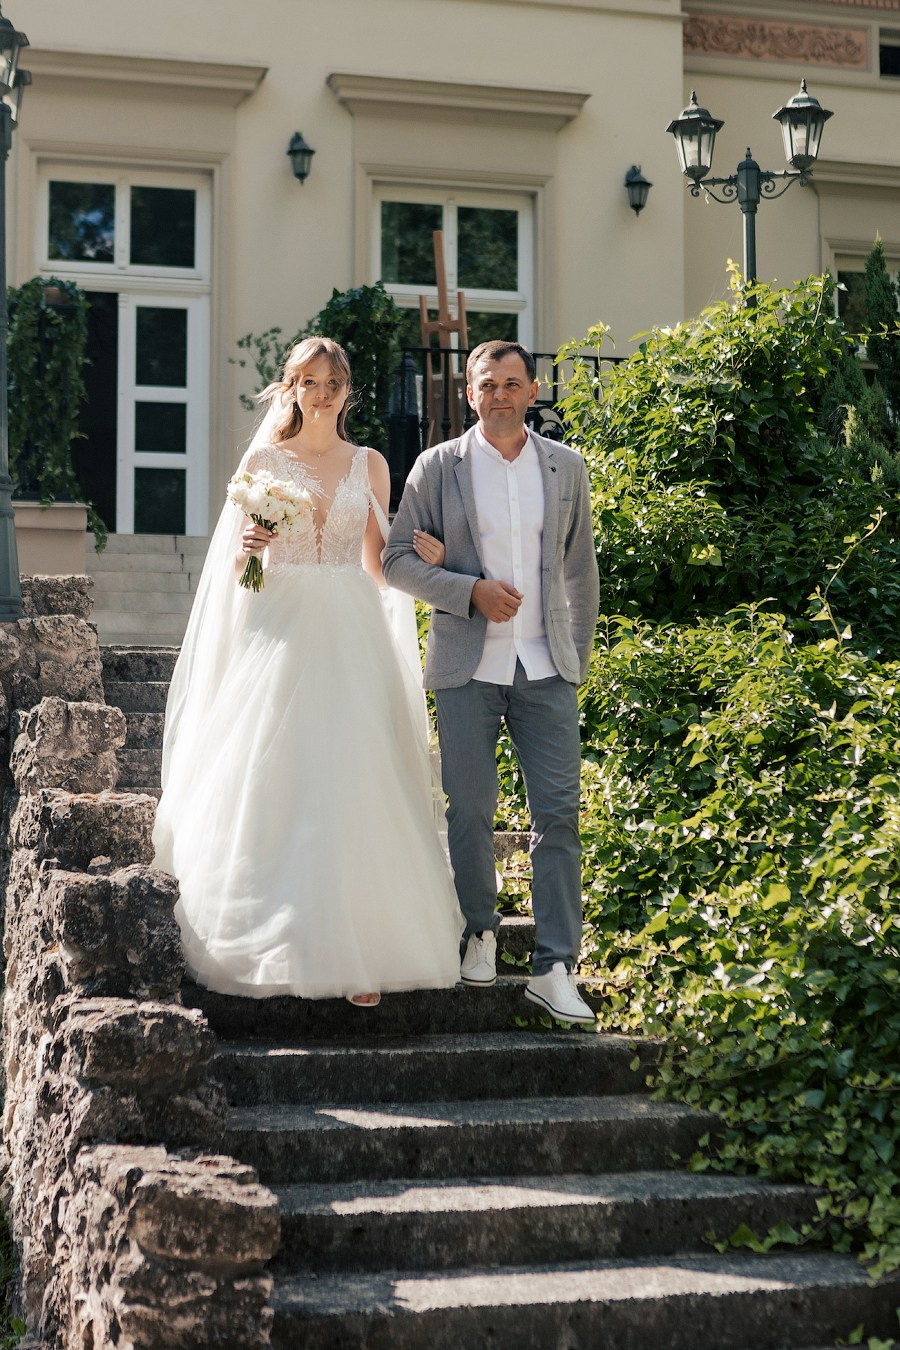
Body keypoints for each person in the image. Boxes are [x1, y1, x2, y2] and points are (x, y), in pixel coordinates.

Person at [152, 337, 463, 1006]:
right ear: (288, 388)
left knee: (353, 776)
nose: (322, 394)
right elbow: (249, 579)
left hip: (350, 627)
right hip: (282, 626)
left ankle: (361, 952)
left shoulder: (372, 464)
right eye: (310, 381)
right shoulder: (265, 462)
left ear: (349, 390)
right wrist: (252, 549)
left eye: (333, 382)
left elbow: (379, 567)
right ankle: (279, 936)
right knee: (277, 775)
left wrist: (427, 556)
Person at [382, 339, 600, 1024]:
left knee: (558, 816)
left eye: (513, 382)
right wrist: (467, 589)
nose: (500, 394)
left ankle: (555, 965)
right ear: (469, 394)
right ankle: (479, 930)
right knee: (470, 811)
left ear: (533, 392)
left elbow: (580, 572)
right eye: (488, 384)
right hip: (465, 668)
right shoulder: (437, 467)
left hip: (545, 669)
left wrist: (577, 658)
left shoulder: (566, 468)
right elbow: (393, 559)